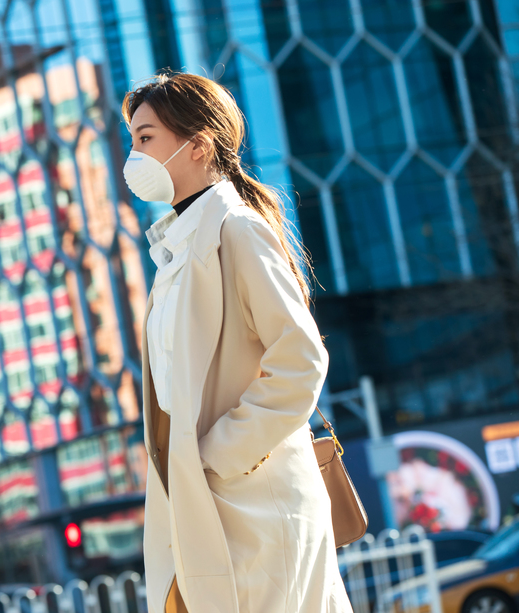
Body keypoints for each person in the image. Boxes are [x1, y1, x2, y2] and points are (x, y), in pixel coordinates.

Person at [122, 72, 353, 613]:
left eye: (146, 138)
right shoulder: (176, 250)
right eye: (132, 140)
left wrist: (215, 457)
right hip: (204, 504)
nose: (133, 156)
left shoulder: (237, 230)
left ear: (198, 145)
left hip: (255, 504)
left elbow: (300, 362)